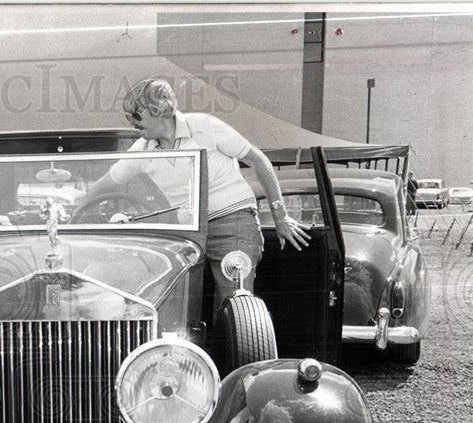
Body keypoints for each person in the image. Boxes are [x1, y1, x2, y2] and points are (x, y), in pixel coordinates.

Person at [88, 78, 310, 315]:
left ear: (157, 109)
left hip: (232, 220)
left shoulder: (205, 127)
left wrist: (281, 216)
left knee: (234, 301)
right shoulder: (142, 149)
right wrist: (74, 208)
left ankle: (233, 349)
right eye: (127, 116)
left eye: (135, 114)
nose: (131, 122)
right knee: (164, 294)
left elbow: (258, 160)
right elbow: (107, 183)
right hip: (187, 232)